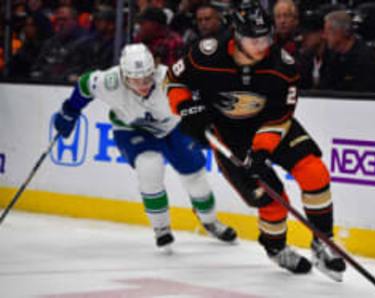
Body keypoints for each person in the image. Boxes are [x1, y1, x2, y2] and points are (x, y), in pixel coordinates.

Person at [166, 0, 346, 280]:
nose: (262, 45)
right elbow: (174, 82)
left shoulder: (283, 66)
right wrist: (187, 109)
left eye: (266, 37)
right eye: (254, 39)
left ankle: (323, 243)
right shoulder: (206, 54)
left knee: (314, 171)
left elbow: (279, 118)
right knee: (272, 199)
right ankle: (276, 249)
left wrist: (261, 151)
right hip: (229, 136)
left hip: (270, 126)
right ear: (237, 36)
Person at [53, 43, 237, 248]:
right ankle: (162, 228)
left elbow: (199, 99)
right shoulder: (110, 82)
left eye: (147, 78)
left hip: (173, 127)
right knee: (149, 166)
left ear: (154, 70)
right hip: (131, 128)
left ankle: (210, 221)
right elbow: (85, 84)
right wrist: (69, 111)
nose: (143, 85)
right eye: (135, 80)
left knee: (195, 176)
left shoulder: (170, 80)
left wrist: (204, 120)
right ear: (124, 74)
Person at [319, 10, 375, 92]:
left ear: (343, 32)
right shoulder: (332, 58)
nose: (324, 36)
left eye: (328, 31)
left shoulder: (368, 60)